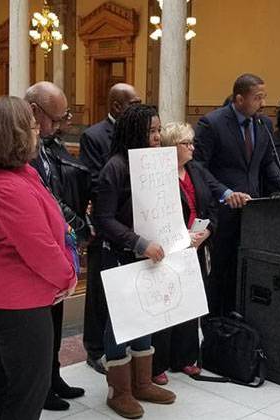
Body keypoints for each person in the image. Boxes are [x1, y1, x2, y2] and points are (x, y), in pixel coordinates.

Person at [0, 96, 77, 420]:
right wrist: (69, 277)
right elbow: (40, 248)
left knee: (3, 387)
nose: (37, 133)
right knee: (27, 390)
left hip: (14, 299)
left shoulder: (14, 173)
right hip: (17, 303)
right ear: (12, 134)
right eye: (31, 127)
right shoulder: (5, 186)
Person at [194, 73, 280, 316]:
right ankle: (215, 324)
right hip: (223, 212)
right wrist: (225, 192)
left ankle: (240, 320)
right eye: (258, 98)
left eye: (264, 97)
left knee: (246, 268)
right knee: (221, 270)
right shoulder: (212, 123)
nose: (262, 103)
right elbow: (198, 167)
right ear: (239, 98)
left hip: (254, 211)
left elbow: (267, 163)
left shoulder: (263, 124)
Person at [94, 104, 176, 418]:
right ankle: (119, 391)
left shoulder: (154, 165)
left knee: (147, 315)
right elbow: (103, 220)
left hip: (149, 255)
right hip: (120, 255)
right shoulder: (114, 167)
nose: (157, 136)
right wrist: (138, 242)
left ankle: (142, 382)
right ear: (134, 132)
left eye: (158, 130)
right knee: (121, 322)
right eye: (151, 131)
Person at [25, 82, 90, 410]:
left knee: (55, 320)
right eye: (56, 117)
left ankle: (53, 376)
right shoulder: (19, 147)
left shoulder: (50, 142)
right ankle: (42, 387)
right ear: (34, 111)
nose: (61, 125)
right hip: (35, 257)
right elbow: (46, 198)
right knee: (38, 333)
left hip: (58, 249)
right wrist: (78, 225)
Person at [79, 83, 141, 374]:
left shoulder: (140, 138)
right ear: (117, 106)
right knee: (99, 293)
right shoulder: (93, 136)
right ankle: (95, 349)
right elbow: (93, 180)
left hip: (133, 226)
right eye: (134, 102)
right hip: (106, 225)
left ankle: (125, 350)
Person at [151, 122, 220, 385]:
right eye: (185, 143)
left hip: (196, 247)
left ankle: (186, 357)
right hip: (168, 250)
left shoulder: (197, 170)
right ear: (171, 147)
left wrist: (208, 232)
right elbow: (154, 214)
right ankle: (158, 363)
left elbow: (212, 205)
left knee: (190, 303)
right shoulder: (158, 175)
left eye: (192, 142)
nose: (192, 147)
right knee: (166, 305)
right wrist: (180, 238)